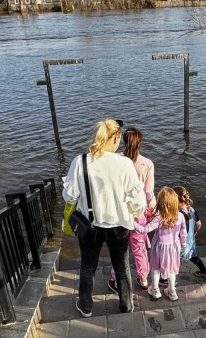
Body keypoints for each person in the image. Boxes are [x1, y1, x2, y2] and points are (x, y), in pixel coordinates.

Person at [63, 119, 147, 317]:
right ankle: (126, 305)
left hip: (89, 226)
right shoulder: (125, 164)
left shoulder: (80, 161)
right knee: (122, 266)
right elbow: (139, 204)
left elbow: (69, 197)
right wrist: (131, 212)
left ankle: (86, 307)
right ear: (117, 137)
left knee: (88, 267)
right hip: (119, 226)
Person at [109, 127, 155, 292]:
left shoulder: (115, 160)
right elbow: (149, 193)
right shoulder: (147, 164)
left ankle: (115, 278)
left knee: (119, 249)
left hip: (119, 213)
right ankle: (143, 279)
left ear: (123, 142)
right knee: (139, 248)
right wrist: (153, 210)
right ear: (140, 144)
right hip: (138, 213)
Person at [135, 187, 186, 301]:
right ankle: (172, 291)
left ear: (161, 203)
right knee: (172, 270)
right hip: (173, 248)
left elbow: (144, 230)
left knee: (155, 269)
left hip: (158, 248)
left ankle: (155, 290)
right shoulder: (180, 216)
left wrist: (131, 222)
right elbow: (183, 232)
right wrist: (183, 243)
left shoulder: (159, 218)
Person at [175, 186, 206, 277]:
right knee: (193, 256)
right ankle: (204, 271)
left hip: (181, 243)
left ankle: (166, 279)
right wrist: (194, 232)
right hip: (191, 241)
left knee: (173, 260)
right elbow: (199, 224)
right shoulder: (191, 210)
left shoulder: (179, 214)